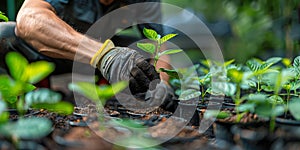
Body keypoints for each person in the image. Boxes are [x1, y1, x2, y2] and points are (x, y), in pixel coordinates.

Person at [0, 0, 176, 111]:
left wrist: (162, 83)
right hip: (50, 54)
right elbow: (29, 18)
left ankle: (112, 93)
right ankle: (30, 91)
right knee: (3, 34)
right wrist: (104, 55)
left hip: (98, 65)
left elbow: (158, 44)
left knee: (142, 50)